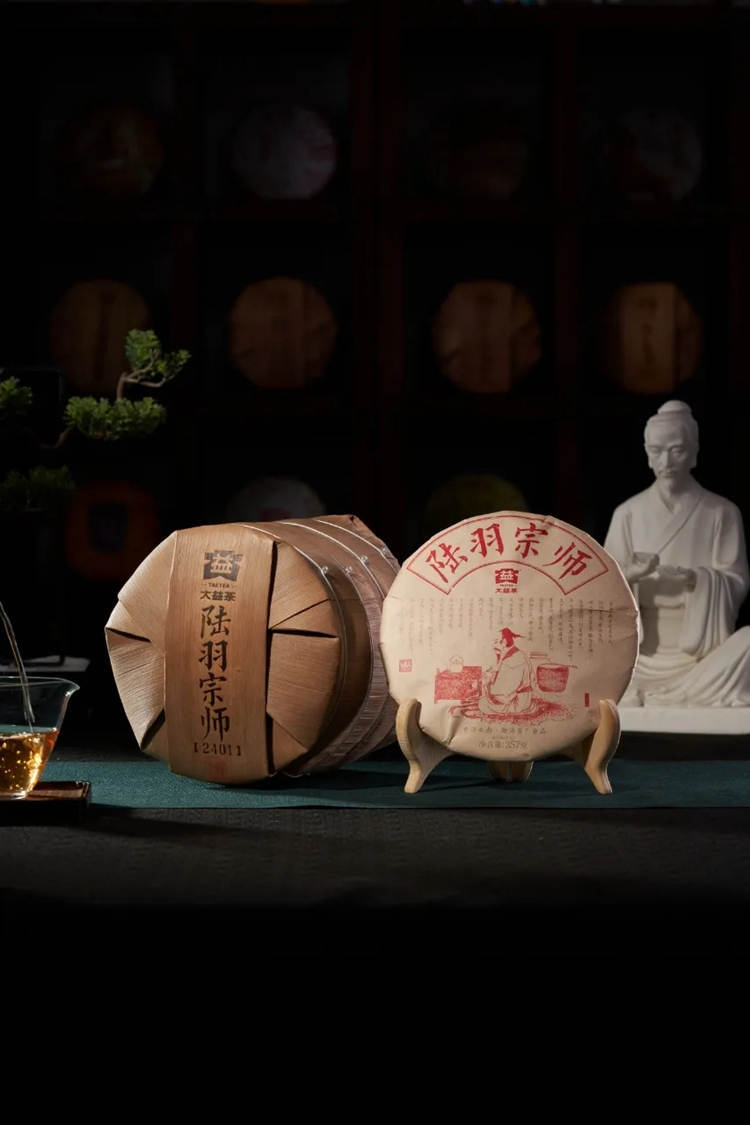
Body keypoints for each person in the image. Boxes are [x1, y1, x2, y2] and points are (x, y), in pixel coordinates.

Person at [604, 400, 750, 708]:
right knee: (581, 645)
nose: (666, 461)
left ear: (694, 451)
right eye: (657, 451)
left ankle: (667, 694)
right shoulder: (627, 513)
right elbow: (601, 586)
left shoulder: (722, 512)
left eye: (677, 450)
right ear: (647, 454)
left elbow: (737, 581)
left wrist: (696, 579)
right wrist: (630, 574)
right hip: (641, 656)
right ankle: (646, 690)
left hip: (701, 654)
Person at [479, 627, 533, 714]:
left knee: (483, 704)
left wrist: (487, 683)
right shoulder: (512, 654)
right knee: (483, 700)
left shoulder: (515, 658)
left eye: (495, 642)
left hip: (518, 701)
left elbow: (506, 689)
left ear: (504, 641)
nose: (493, 646)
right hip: (514, 696)